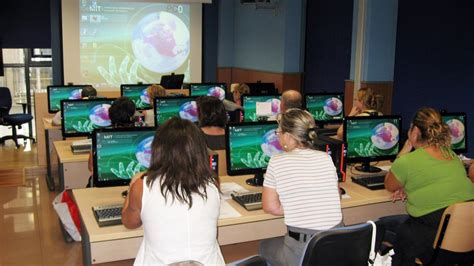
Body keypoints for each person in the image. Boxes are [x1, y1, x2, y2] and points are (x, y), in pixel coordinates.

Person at [121, 117, 225, 265]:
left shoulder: (142, 186)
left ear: (158, 150)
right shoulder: (213, 182)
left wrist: (132, 185)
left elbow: (129, 222)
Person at [384, 107, 474, 265]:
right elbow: (436, 181)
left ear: (415, 130)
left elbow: (390, 185)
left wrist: (405, 149)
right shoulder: (450, 154)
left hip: (435, 247)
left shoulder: (407, 161)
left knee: (385, 227)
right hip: (466, 245)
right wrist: (408, 185)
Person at [259, 108, 343, 266]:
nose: (277, 135)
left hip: (304, 249)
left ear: (289, 136)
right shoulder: (325, 158)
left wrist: (296, 204)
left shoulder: (277, 161)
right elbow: (336, 195)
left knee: (264, 246)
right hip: (336, 245)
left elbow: (270, 207)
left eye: (279, 131)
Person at [87, 97, 136, 185]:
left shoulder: (100, 136)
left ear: (110, 115)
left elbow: (91, 168)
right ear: (132, 116)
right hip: (135, 184)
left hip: (106, 187)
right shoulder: (139, 134)